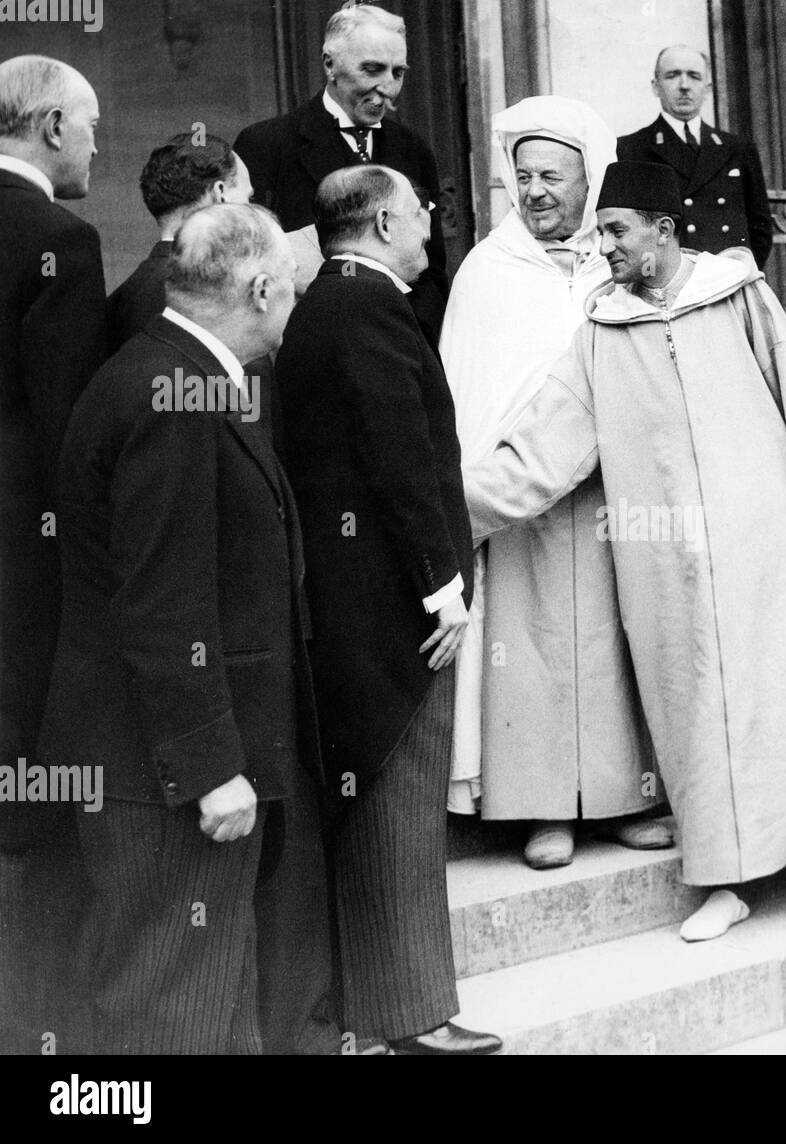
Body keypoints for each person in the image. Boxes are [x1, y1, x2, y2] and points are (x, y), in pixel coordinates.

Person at [462, 161, 786, 943]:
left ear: (664, 232)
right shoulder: (601, 331)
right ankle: (727, 878)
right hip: (666, 567)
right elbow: (542, 449)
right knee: (698, 713)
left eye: (618, 232)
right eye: (601, 235)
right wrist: (440, 509)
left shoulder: (738, 293)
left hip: (769, 543)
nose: (605, 250)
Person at [39, 203, 338, 1053]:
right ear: (260, 285)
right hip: (163, 772)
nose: (295, 300)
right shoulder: (172, 395)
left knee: (192, 996)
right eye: (290, 285)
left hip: (158, 758)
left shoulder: (177, 375)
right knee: (178, 1006)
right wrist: (212, 768)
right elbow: (162, 602)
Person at [276, 165, 500, 1055]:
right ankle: (412, 1018)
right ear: (377, 222)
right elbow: (400, 454)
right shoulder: (367, 307)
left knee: (376, 808)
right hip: (394, 613)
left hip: (353, 607)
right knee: (401, 808)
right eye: (418, 213)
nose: (428, 228)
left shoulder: (323, 304)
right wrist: (441, 584)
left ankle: (376, 1014)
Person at [440, 96, 666, 867]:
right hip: (519, 504)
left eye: (554, 178)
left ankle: (623, 800)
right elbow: (471, 390)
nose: (536, 192)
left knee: (614, 642)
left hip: (613, 496)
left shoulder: (620, 263)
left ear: (590, 181)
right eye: (523, 177)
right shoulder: (487, 272)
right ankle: (543, 811)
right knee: (529, 651)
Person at [0, 53, 106, 1054]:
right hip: (26, 572)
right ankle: (42, 1033)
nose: (95, 144)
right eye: (88, 126)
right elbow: (71, 430)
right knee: (35, 794)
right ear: (48, 130)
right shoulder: (61, 242)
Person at [234, 2, 449, 341]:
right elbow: (249, 266)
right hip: (311, 346)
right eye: (372, 70)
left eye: (398, 73)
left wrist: (410, 335)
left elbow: (433, 272)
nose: (388, 88)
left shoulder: (414, 151)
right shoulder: (267, 145)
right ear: (329, 64)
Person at [617, 44, 772, 268]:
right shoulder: (631, 149)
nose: (684, 86)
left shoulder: (738, 148)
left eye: (694, 76)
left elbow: (760, 227)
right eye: (672, 75)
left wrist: (741, 273)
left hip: (729, 278)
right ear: (656, 87)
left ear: (707, 89)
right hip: (670, 281)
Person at [107, 132, 253, 350]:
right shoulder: (205, 289)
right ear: (220, 192)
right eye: (248, 198)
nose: (253, 211)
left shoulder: (127, 294)